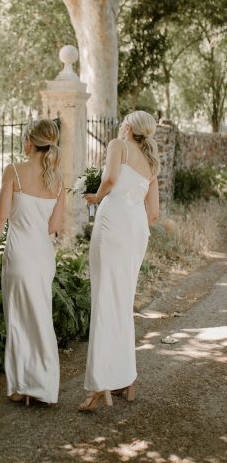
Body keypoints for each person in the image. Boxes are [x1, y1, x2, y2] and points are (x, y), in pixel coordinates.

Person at [79, 110, 160, 412]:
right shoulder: (152, 161)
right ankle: (126, 378)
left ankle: (100, 384)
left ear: (127, 126)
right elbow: (153, 212)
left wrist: (95, 198)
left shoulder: (118, 145)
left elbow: (111, 179)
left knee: (103, 300)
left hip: (112, 225)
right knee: (123, 302)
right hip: (136, 229)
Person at [0, 119, 65, 406]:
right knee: (41, 318)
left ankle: (22, 387)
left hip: (19, 255)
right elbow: (55, 226)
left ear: (30, 142)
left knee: (18, 320)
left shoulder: (14, 171)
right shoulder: (58, 180)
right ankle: (45, 386)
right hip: (42, 257)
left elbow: (1, 216)